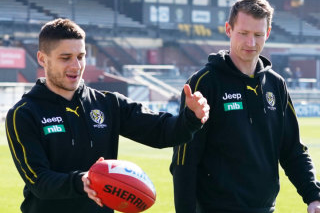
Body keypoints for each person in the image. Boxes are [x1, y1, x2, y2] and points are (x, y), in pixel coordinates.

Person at [5, 18, 209, 213]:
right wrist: (82, 181)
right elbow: (39, 181)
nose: (76, 66)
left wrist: (191, 117)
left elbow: (161, 132)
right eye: (65, 58)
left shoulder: (108, 103)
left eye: (81, 56)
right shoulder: (23, 114)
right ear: (42, 59)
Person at [170, 0, 320, 213]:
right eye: (243, 33)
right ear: (228, 30)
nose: (250, 43)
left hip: (265, 209)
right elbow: (184, 160)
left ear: (268, 33)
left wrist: (314, 199)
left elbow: (293, 150)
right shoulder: (204, 83)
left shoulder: (276, 85)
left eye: (258, 34)